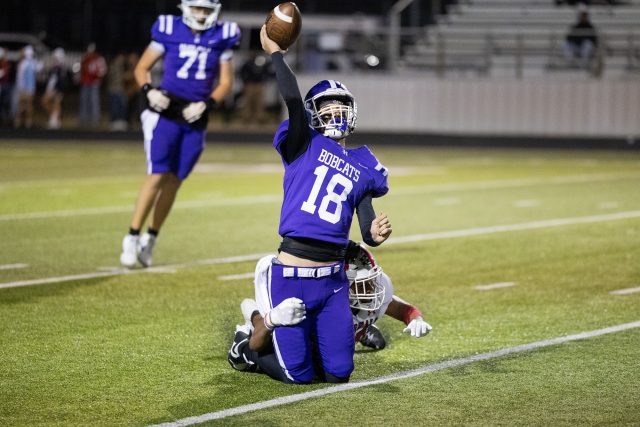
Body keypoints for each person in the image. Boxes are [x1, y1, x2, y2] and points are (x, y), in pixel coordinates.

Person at [239, 25, 392, 385]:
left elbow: (367, 230)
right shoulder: (302, 143)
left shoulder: (364, 164)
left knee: (339, 374)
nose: (335, 113)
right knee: (299, 375)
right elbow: (292, 99)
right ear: (312, 113)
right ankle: (248, 344)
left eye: (341, 107)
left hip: (333, 282)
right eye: (327, 107)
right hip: (291, 277)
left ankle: (277, 333)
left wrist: (376, 233)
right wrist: (276, 54)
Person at [119, 0, 240, 268]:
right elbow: (141, 68)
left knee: (175, 180)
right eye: (197, 8)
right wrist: (149, 91)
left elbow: (226, 82)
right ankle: (132, 236)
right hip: (166, 110)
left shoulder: (222, 34)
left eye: (206, 10)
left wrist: (207, 103)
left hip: (196, 114)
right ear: (186, 7)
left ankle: (151, 238)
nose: (201, 14)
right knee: (157, 174)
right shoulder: (169, 28)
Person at [227, 244, 432, 382]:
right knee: (309, 369)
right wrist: (269, 321)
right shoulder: (319, 300)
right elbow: (259, 342)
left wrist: (415, 319)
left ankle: (361, 331)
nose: (372, 289)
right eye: (363, 285)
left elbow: (402, 309)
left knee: (341, 364)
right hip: (283, 314)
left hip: (340, 316)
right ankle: (243, 344)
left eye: (371, 281)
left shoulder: (377, 287)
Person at [41, 48, 73, 130]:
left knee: (57, 104)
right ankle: (54, 117)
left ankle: (54, 120)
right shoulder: (54, 68)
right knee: (44, 102)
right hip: (50, 89)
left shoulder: (63, 69)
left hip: (58, 90)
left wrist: (60, 91)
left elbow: (65, 81)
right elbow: (50, 80)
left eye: (56, 58)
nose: (54, 59)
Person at [239, 52, 273, 126]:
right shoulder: (247, 63)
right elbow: (241, 72)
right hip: (250, 84)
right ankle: (247, 118)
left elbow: (267, 71)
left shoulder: (262, 62)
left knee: (260, 102)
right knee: (248, 102)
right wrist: (245, 80)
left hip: (259, 84)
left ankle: (260, 118)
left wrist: (264, 79)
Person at [79, 43, 107, 127]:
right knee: (84, 101)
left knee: (94, 101)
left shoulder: (99, 58)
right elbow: (81, 69)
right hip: (86, 82)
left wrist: (97, 77)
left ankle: (95, 120)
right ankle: (84, 120)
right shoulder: (85, 58)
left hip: (94, 83)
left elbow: (103, 70)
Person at [14, 45, 39, 129]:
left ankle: (21, 121)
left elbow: (20, 77)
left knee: (24, 104)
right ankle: (25, 121)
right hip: (27, 88)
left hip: (26, 87)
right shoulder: (28, 63)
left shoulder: (26, 63)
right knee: (26, 104)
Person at [0, 47, 14, 127]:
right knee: (2, 102)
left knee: (6, 101)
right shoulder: (2, 62)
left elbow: (8, 72)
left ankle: (6, 118)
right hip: (2, 84)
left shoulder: (8, 62)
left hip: (7, 85)